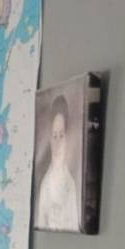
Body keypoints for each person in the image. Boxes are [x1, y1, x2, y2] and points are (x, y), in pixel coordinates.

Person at [36, 95, 80, 231]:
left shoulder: (71, 186)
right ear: (50, 140)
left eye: (61, 135)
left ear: (67, 139)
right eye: (54, 136)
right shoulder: (44, 186)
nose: (58, 143)